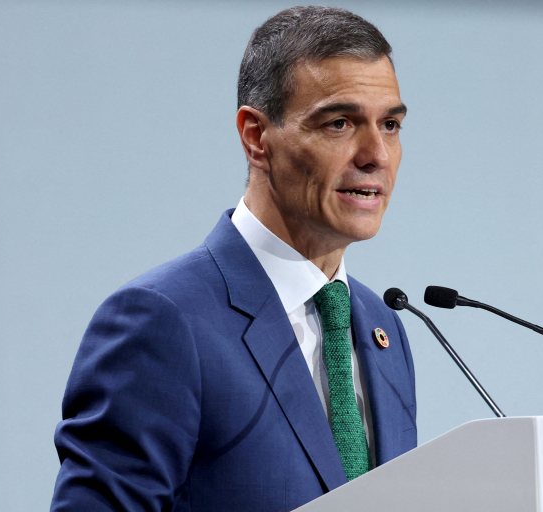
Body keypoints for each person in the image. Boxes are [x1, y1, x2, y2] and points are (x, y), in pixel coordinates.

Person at [50, 6, 416, 512]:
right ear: (256, 137)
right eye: (339, 123)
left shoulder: (383, 327)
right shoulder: (163, 321)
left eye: (391, 124)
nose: (377, 154)